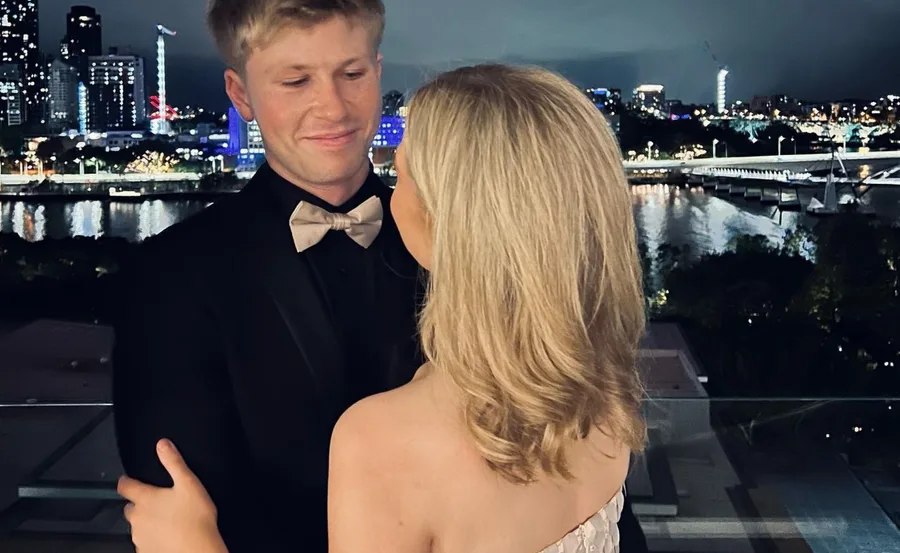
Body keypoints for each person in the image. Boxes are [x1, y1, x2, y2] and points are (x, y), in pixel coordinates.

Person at [118, 62, 649, 553]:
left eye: (403, 170)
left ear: (445, 217)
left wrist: (192, 545)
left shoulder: (385, 442)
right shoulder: (609, 389)